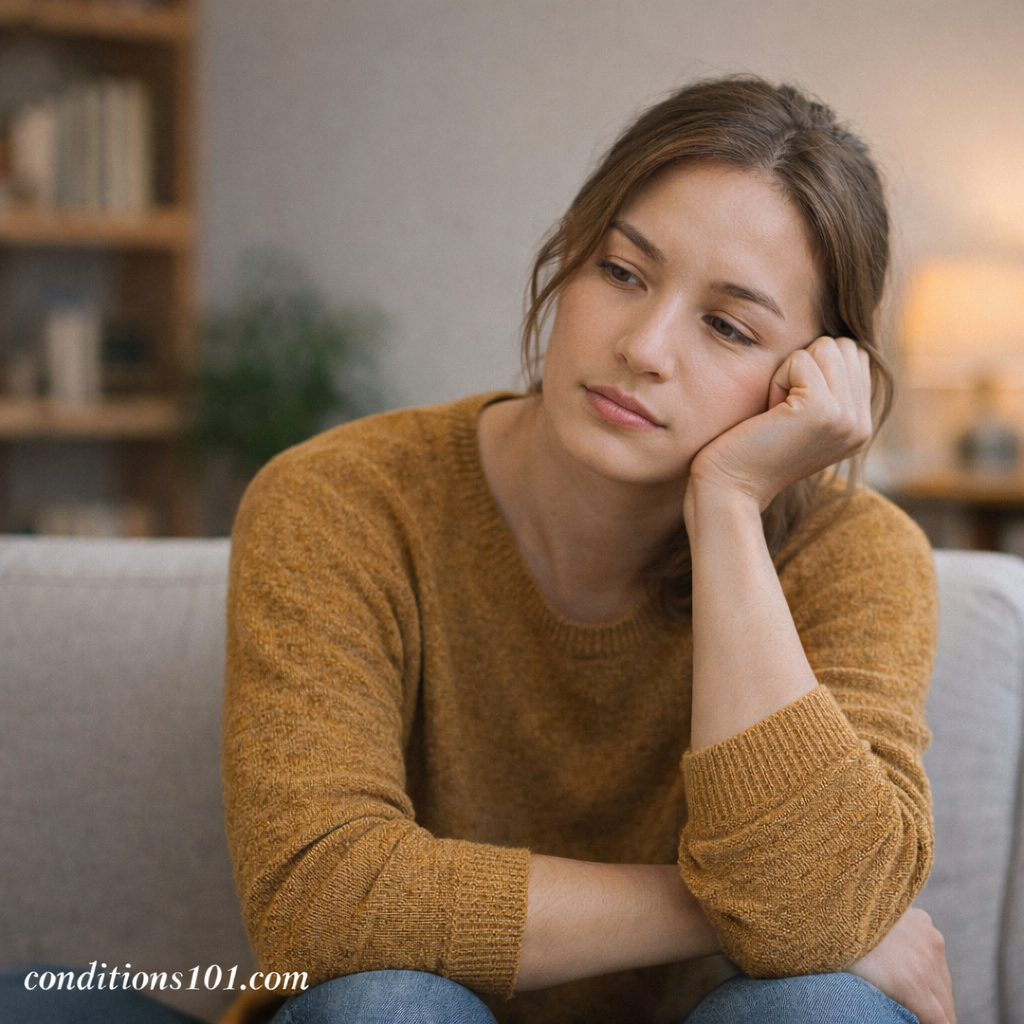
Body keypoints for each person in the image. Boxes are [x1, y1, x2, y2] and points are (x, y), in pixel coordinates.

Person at [219, 76, 955, 1024]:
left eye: (728, 326)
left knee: (825, 1008)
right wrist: (734, 903)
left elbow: (817, 926)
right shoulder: (342, 500)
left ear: (809, 380)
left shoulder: (856, 558)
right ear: (568, 259)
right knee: (383, 1004)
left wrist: (728, 506)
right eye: (621, 272)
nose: (643, 344)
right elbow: (316, 904)